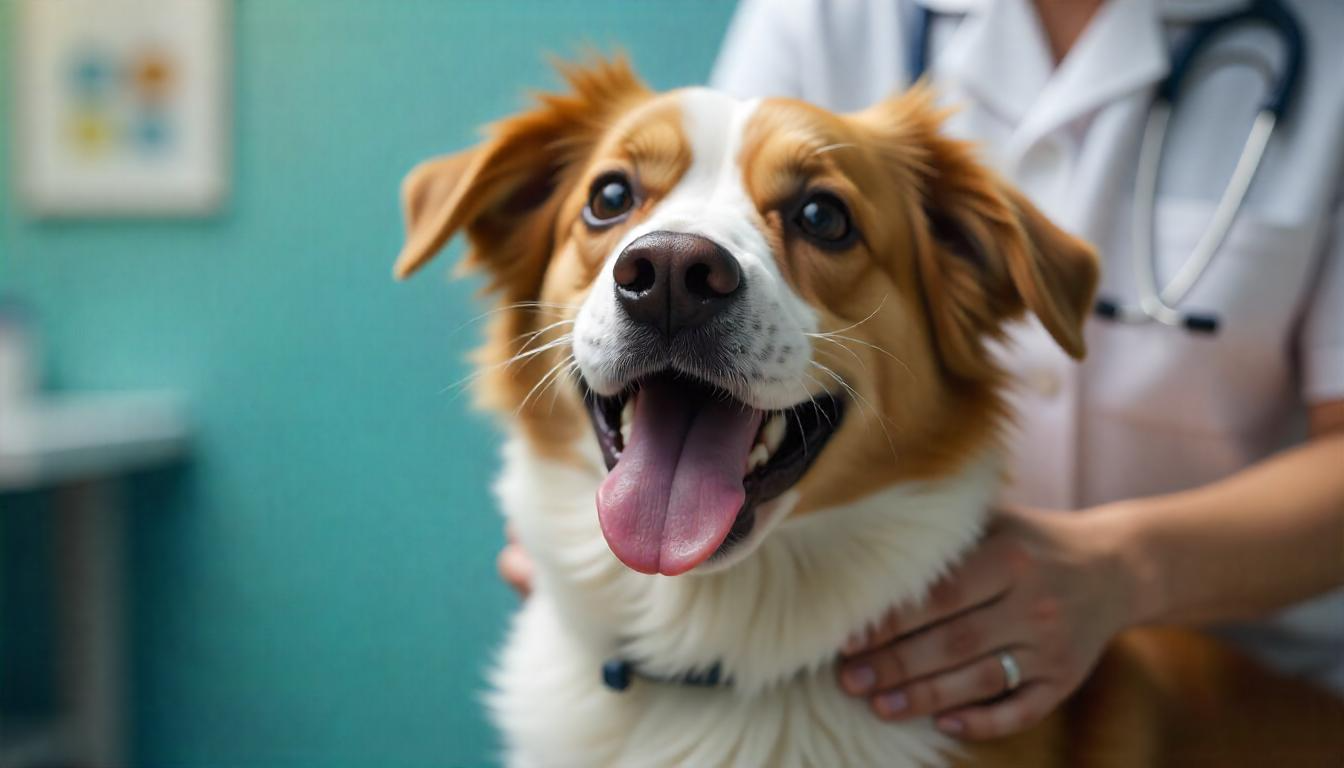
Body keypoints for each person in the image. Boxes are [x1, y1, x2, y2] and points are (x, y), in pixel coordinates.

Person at [500, 0, 1344, 743]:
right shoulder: (825, 11)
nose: (678, 260)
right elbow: (720, 179)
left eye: (820, 217)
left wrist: (1123, 571)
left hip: (1261, 685)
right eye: (614, 200)